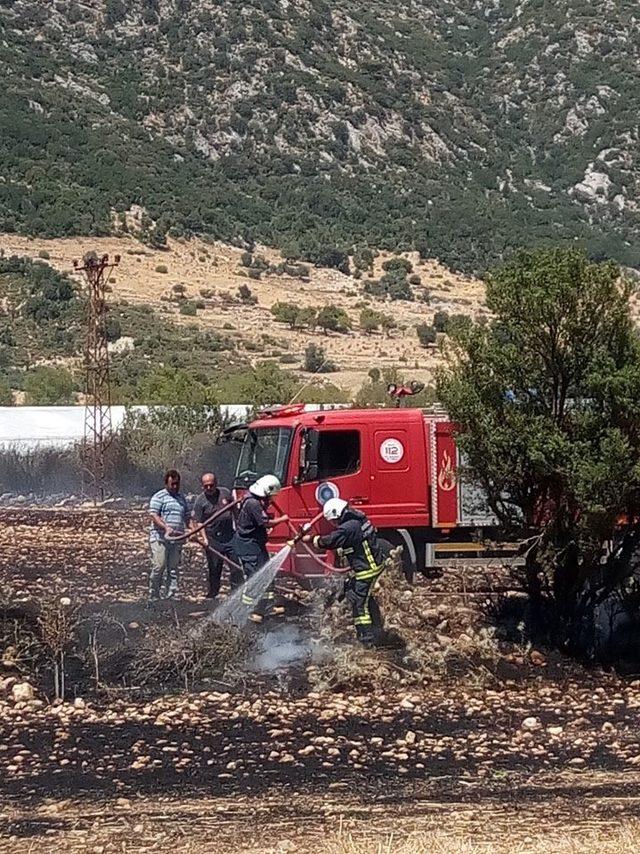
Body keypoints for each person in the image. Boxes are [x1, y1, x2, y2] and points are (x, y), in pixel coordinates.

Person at [305, 498, 391, 647]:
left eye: (333, 521)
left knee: (359, 605)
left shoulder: (348, 527)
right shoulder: (358, 519)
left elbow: (330, 541)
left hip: (366, 570)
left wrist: (312, 539)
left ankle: (367, 641)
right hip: (370, 566)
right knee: (360, 597)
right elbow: (354, 542)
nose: (334, 524)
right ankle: (377, 629)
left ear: (337, 514)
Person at [234, 474, 288, 623]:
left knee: (267, 572)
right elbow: (266, 523)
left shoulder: (254, 500)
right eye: (271, 496)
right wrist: (282, 520)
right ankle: (249, 610)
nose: (272, 500)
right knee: (255, 576)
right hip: (248, 546)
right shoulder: (252, 503)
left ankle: (267, 605)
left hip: (256, 544)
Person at [192, 472, 239, 599]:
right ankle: (213, 594)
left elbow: (234, 509)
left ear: (216, 484)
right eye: (206, 486)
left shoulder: (225, 493)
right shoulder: (200, 501)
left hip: (230, 537)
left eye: (211, 485)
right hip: (213, 539)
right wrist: (205, 539)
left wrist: (239, 528)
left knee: (236, 566)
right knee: (214, 568)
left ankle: (236, 592)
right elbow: (199, 522)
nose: (209, 488)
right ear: (202, 486)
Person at [148, 469, 190, 600]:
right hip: (160, 538)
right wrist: (166, 527)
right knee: (159, 566)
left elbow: (187, 517)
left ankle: (171, 595)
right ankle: (154, 594)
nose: (175, 487)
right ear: (166, 483)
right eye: (172, 484)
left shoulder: (182, 498)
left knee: (173, 568)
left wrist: (192, 531)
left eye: (177, 484)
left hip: (177, 539)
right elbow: (154, 515)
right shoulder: (159, 497)